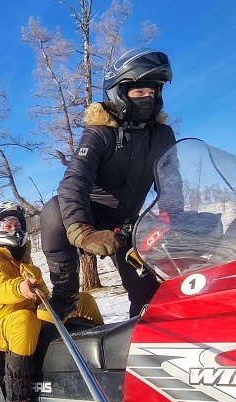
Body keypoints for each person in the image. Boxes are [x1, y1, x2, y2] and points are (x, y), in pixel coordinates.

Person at [40, 48, 176, 319]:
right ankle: (65, 293)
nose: (146, 99)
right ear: (119, 93)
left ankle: (147, 329)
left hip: (129, 224)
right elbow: (73, 183)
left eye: (152, 93)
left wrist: (174, 218)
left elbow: (173, 185)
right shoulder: (100, 133)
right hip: (92, 217)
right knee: (54, 211)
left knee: (148, 293)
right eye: (139, 93)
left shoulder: (163, 135)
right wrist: (81, 231)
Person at [0, 201, 103, 402]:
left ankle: (104, 362)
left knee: (82, 300)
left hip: (30, 318)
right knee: (23, 319)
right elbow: (2, 290)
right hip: (5, 326)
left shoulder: (25, 261)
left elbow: (43, 296)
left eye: (17, 225)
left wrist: (41, 288)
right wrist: (21, 287)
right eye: (7, 225)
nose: (13, 230)